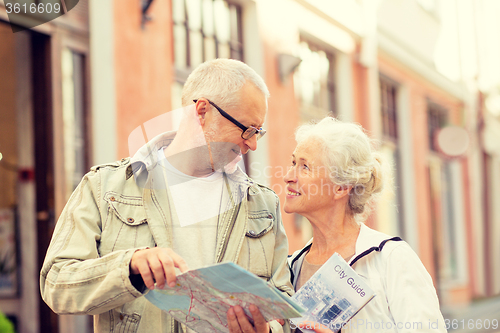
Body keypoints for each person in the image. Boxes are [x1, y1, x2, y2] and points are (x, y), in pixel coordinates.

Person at [40, 59, 292, 333]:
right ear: (202, 111)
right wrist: (129, 266)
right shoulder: (104, 187)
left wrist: (268, 331)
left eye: (258, 132)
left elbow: (286, 310)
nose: (252, 144)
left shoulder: (264, 205)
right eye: (247, 129)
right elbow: (56, 283)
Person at [284, 117, 446, 333]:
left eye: (305, 166)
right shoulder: (290, 268)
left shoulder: (391, 259)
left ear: (341, 188)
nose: (288, 176)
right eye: (293, 162)